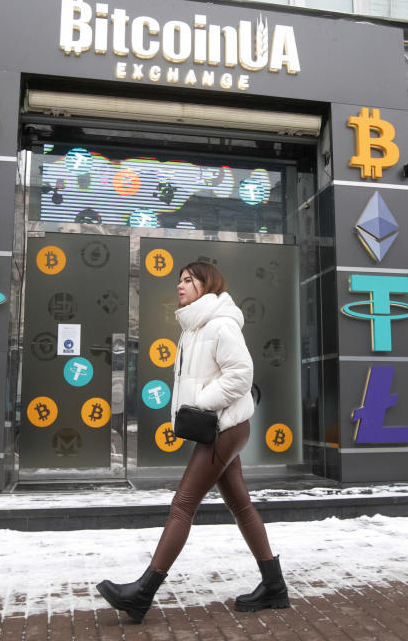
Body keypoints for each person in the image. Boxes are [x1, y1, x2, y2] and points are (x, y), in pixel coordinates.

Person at [97, 261, 289, 622]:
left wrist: (199, 403)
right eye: (179, 281)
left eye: (188, 280)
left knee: (182, 504)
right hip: (220, 428)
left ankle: (143, 593)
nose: (180, 286)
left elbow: (241, 375)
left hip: (225, 428)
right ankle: (274, 585)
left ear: (207, 284)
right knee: (241, 506)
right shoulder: (193, 328)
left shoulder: (220, 325)